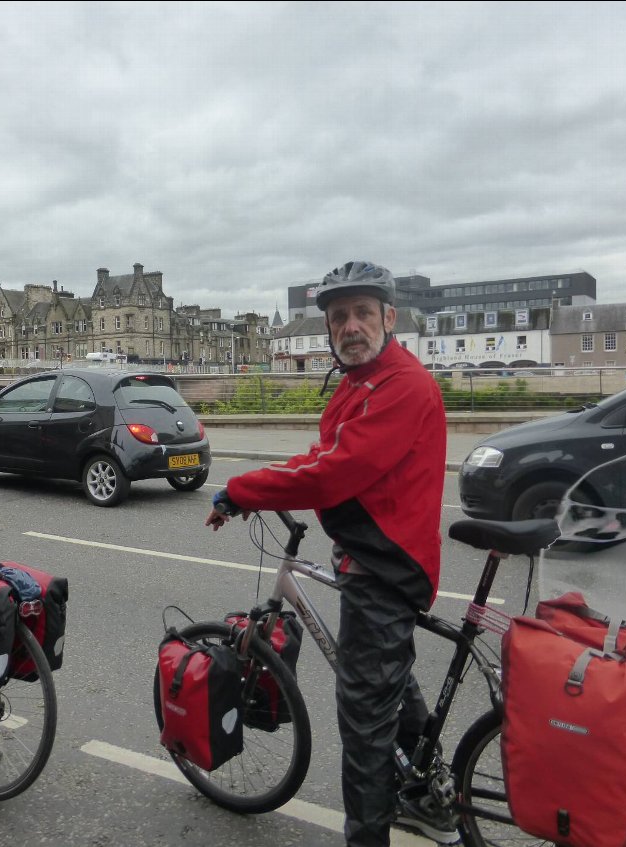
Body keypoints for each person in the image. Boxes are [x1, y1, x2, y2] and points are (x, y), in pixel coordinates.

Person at [205, 261, 453, 846]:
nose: (351, 326)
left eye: (363, 313)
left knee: (365, 729)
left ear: (389, 318)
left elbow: (332, 475)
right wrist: (245, 489)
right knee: (395, 689)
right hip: (373, 558)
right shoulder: (357, 384)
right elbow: (319, 456)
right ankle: (428, 795)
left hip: (388, 569)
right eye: (339, 317)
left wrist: (243, 489)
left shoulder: (403, 385)